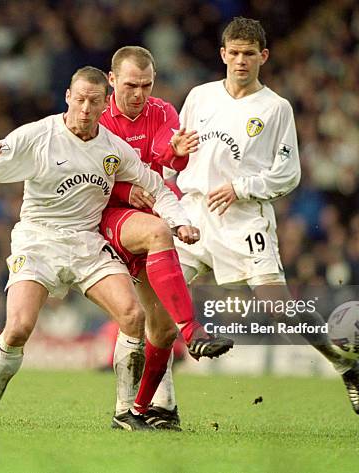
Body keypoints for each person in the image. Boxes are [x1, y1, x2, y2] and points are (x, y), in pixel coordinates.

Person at [0, 66, 199, 430]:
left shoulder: (115, 149)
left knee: (133, 316)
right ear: (68, 97)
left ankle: (126, 413)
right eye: (79, 99)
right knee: (18, 327)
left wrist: (179, 222)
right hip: (39, 239)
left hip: (86, 242)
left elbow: (158, 188)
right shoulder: (39, 135)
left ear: (104, 104)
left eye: (93, 102)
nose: (84, 109)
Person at [161, 17, 359, 415]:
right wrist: (172, 156)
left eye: (249, 54)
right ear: (223, 54)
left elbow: (288, 173)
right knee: (160, 303)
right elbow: (176, 153)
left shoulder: (276, 109)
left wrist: (241, 187)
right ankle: (161, 405)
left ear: (264, 56)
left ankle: (344, 362)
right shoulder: (199, 97)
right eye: (234, 53)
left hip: (242, 219)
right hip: (194, 213)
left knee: (279, 308)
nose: (241, 61)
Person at [99, 46, 234, 430]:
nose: (139, 93)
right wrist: (129, 194)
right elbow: (92, 181)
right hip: (112, 216)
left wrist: (174, 154)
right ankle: (194, 331)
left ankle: (147, 411)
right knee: (158, 238)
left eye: (146, 85)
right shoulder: (100, 120)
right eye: (130, 85)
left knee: (159, 327)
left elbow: (166, 152)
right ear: (112, 81)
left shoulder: (162, 111)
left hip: (152, 212)